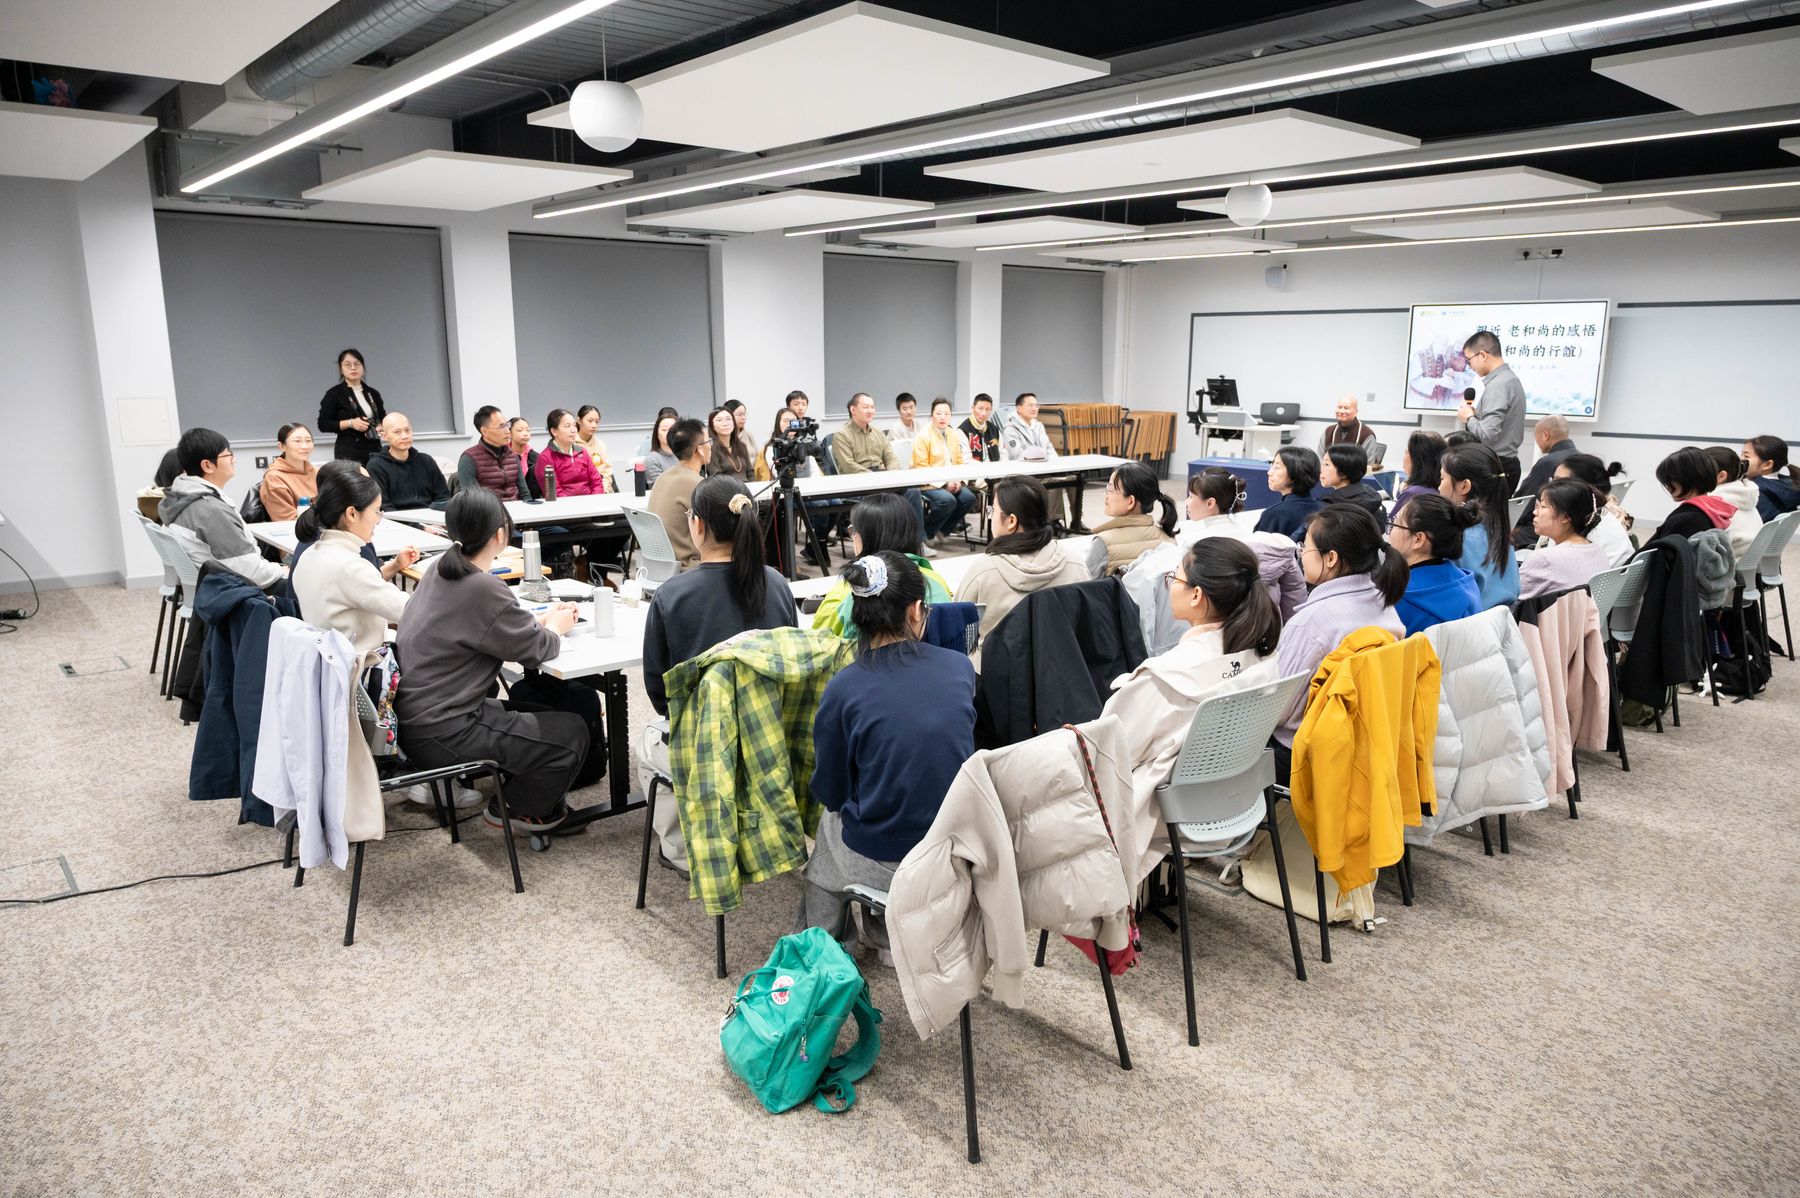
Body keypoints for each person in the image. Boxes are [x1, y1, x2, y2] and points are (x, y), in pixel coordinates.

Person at [802, 551, 977, 955]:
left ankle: (826, 948)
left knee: (828, 829)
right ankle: (885, 932)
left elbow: (830, 791)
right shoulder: (959, 669)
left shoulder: (844, 687)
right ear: (916, 610)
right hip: (956, 851)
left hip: (888, 856)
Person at [394, 489, 587, 834]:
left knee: (546, 712)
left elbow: (486, 627)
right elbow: (538, 649)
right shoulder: (481, 586)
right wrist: (556, 627)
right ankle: (516, 809)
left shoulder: (440, 569)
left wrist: (539, 621)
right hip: (446, 730)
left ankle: (528, 786)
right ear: (500, 534)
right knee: (572, 732)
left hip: (417, 722)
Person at [641, 476, 799, 870]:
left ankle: (681, 852)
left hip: (706, 746)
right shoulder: (777, 583)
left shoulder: (671, 595)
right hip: (770, 739)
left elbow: (659, 693)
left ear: (697, 524)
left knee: (645, 745)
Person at [1100, 538, 1282, 831]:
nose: (1170, 585)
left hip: (1165, 818)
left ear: (1196, 595)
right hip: (1236, 802)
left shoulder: (1165, 678)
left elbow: (1108, 754)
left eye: (1174, 577)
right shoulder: (1263, 660)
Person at [1274, 505, 1408, 769]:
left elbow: (1278, 710)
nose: (1301, 554)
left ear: (1331, 558)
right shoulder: (1384, 603)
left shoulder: (1311, 622)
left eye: (1305, 547)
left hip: (1308, 755)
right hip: (1369, 742)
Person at [290, 469, 412, 658]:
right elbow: (409, 610)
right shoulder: (350, 567)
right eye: (376, 511)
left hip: (327, 662)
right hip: (360, 666)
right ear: (352, 514)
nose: (379, 519)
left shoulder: (309, 554)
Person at [955, 476, 1087, 638]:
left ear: (1011, 521)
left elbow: (955, 629)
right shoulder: (1075, 564)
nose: (990, 516)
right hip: (1064, 653)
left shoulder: (983, 571)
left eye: (993, 510)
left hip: (994, 655)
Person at [158, 428, 286, 591]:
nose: (234, 460)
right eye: (228, 455)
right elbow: (252, 573)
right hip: (237, 591)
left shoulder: (180, 497)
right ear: (207, 465)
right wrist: (281, 570)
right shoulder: (211, 511)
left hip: (212, 587)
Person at [813, 493, 952, 639]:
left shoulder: (851, 589)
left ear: (866, 537)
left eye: (853, 530)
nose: (852, 536)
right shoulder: (937, 582)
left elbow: (818, 642)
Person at [831, 392, 933, 555]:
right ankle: (885, 545)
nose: (870, 410)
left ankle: (916, 542)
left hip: (882, 479)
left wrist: (890, 475)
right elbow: (849, 466)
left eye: (872, 407)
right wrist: (877, 478)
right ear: (853, 409)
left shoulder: (878, 433)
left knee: (912, 491)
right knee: (886, 498)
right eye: (866, 407)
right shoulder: (842, 436)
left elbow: (891, 458)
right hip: (857, 484)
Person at [288, 460, 415, 588]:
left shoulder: (317, 529)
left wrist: (396, 564)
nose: (370, 488)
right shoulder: (343, 551)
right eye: (363, 482)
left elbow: (369, 582)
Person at [1386, 494, 1482, 636]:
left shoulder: (1398, 597)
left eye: (1395, 522)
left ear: (1418, 539)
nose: (1390, 530)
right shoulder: (1467, 582)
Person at [1439, 443, 1520, 609]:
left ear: (1464, 486)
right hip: (1503, 621)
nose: (1438, 487)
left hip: (1469, 622)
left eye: (1442, 479)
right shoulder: (1500, 533)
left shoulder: (1457, 540)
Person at [1518, 479, 1613, 601]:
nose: (1535, 511)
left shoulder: (1545, 559)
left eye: (1543, 506)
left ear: (1565, 517)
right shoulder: (1598, 550)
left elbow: (1511, 603)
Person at [1456, 331, 1527, 494]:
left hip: (1494, 467)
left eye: (1469, 360)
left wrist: (1469, 418)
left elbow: (1487, 435)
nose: (1469, 366)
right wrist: (1476, 416)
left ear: (1482, 355)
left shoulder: (1498, 385)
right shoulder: (1509, 379)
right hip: (1505, 464)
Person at [911, 397, 978, 547]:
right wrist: (944, 484)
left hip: (951, 480)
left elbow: (959, 462)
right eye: (939, 413)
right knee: (947, 500)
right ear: (931, 415)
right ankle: (927, 533)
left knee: (969, 498)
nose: (943, 417)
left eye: (946, 414)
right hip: (927, 482)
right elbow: (921, 468)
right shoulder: (923, 435)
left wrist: (958, 481)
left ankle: (942, 530)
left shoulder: (953, 434)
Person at [1093, 460, 1178, 574]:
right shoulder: (1169, 539)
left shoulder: (1103, 543)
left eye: (1110, 490)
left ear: (1130, 502)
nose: (1105, 495)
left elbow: (1081, 582)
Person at [648, 417, 710, 569]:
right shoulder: (698, 484)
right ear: (700, 449)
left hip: (661, 564)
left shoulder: (663, 477)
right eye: (709, 442)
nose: (711, 446)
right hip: (689, 566)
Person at [1553, 453, 1634, 568]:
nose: (1550, 487)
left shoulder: (1587, 525)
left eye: (1558, 482)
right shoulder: (1603, 517)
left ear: (1583, 487)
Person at [1510, 415, 1579, 547]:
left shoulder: (1548, 463)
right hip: (1574, 526)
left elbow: (1523, 504)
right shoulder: (1582, 458)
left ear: (1545, 435)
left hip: (1545, 530)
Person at [368, 412, 449, 512]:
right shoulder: (376, 466)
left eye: (407, 430)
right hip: (395, 520)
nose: (405, 436)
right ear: (384, 436)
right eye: (397, 432)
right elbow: (383, 505)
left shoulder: (426, 461)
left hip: (431, 517)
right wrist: (412, 522)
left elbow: (443, 498)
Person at [317, 348, 386, 464]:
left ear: (363, 367)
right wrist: (351, 423)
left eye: (357, 364)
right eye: (347, 364)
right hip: (349, 452)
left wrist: (381, 426)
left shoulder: (373, 393)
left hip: (374, 449)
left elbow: (383, 417)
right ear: (341, 369)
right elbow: (323, 424)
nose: (353, 368)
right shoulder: (334, 394)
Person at [1653, 446, 1735, 540]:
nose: (1667, 486)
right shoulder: (1714, 511)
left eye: (1670, 480)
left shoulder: (1685, 520)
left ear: (1689, 479)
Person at [1703, 445, 1765, 561]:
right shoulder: (1745, 495)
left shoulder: (1715, 503)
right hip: (1747, 563)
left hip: (1726, 566)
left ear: (1721, 476)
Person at [1253, 447, 1323, 542]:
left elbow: (1256, 548)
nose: (1269, 472)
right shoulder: (1322, 510)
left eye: (1277, 468)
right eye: (1272, 466)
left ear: (1294, 475)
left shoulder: (1275, 514)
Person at [457, 405, 522, 501]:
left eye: (507, 425)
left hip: (517, 507)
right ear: (484, 431)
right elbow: (471, 499)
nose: (508, 431)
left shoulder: (512, 455)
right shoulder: (469, 459)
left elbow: (525, 493)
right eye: (501, 426)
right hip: (489, 509)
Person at [537, 408, 606, 498]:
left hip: (590, 502)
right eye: (567, 426)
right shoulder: (546, 458)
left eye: (574, 425)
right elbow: (555, 493)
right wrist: (575, 505)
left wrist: (594, 500)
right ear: (554, 431)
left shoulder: (582, 452)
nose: (573, 430)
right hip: (564, 505)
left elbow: (597, 482)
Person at [258, 423, 319, 521]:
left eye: (308, 441)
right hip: (298, 528)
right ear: (282, 446)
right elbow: (287, 519)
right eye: (297, 441)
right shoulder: (275, 477)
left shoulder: (317, 471)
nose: (305, 446)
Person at [1317, 443, 1386, 521]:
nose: (1321, 469)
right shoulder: (1371, 497)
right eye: (1322, 464)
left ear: (1344, 472)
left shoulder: (1333, 507)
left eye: (1326, 464)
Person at [1742, 435, 1800, 523]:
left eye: (1746, 456)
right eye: (1742, 454)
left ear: (1767, 465)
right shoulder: (1788, 485)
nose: (1740, 459)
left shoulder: (1755, 491)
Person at [1393, 430, 1446, 517]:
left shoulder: (1413, 493)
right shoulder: (1439, 488)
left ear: (1418, 460)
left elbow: (1391, 523)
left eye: (1406, 452)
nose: (1404, 457)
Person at [1317, 395, 1380, 460]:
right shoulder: (1328, 431)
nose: (1341, 411)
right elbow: (1319, 459)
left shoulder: (1366, 434)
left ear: (1356, 412)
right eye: (1339, 407)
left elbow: (1369, 463)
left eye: (1346, 408)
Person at [574, 405, 617, 492]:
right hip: (581, 492)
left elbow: (607, 473)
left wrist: (603, 490)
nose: (594, 425)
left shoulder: (600, 445)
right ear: (579, 421)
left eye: (597, 422)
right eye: (590, 421)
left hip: (602, 491)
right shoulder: (570, 444)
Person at [703, 406, 751, 480]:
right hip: (725, 486)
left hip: (749, 486)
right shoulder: (711, 448)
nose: (725, 423)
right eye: (719, 420)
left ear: (734, 423)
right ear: (712, 426)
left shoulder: (741, 446)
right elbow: (716, 476)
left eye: (728, 419)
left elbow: (750, 472)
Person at [641, 410, 681, 491]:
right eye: (664, 430)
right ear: (656, 433)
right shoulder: (652, 459)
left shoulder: (685, 455)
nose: (668, 433)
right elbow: (658, 490)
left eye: (672, 429)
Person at [724, 399, 760, 478]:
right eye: (739, 414)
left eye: (744, 414)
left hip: (751, 477)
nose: (743, 418)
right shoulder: (724, 438)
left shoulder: (748, 435)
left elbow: (758, 458)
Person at [961, 393, 1001, 463]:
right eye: (980, 408)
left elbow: (1003, 455)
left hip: (996, 468)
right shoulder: (963, 430)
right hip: (974, 469)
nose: (984, 413)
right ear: (973, 408)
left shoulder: (994, 429)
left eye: (987, 409)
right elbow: (966, 460)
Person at [509, 417, 541, 501]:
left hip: (533, 500)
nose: (525, 434)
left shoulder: (537, 456)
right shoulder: (504, 456)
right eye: (520, 430)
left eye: (528, 430)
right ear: (510, 433)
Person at [889, 393, 925, 463]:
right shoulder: (896, 429)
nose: (909, 412)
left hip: (916, 459)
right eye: (904, 409)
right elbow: (901, 452)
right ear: (899, 411)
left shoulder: (919, 425)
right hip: (899, 461)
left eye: (911, 407)